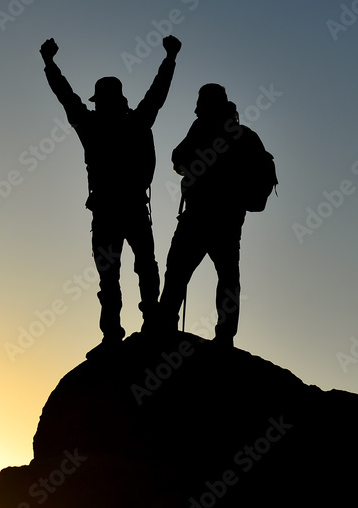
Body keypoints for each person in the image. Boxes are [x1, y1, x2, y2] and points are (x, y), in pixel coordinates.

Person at [40, 35, 181, 348]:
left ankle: (121, 333)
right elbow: (156, 94)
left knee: (123, 271)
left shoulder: (93, 125)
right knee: (133, 269)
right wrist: (170, 58)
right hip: (124, 208)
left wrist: (49, 63)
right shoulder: (135, 122)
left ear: (105, 102)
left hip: (110, 211)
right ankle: (133, 329)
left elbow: (67, 96)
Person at [157, 84, 269, 347]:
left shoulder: (202, 128)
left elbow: (177, 158)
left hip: (200, 217)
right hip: (227, 221)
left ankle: (163, 329)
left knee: (178, 273)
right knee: (227, 278)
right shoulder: (244, 135)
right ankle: (224, 338)